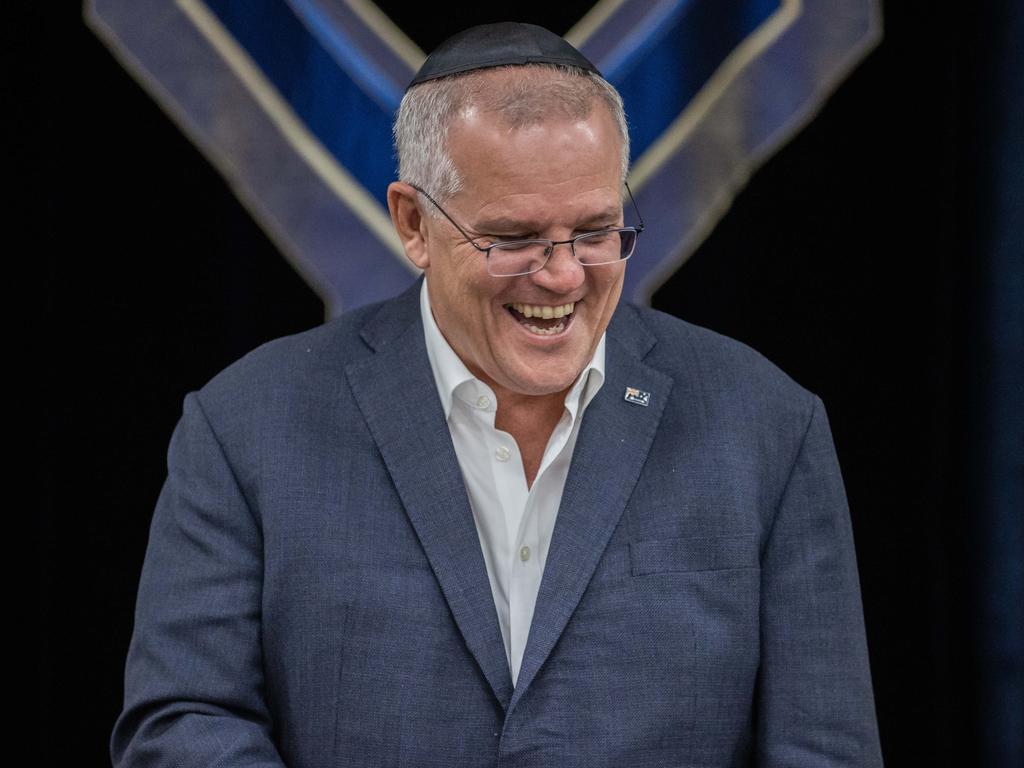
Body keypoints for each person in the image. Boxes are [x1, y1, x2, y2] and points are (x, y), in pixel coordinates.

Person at [111, 22, 883, 767]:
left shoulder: (767, 426)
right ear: (413, 223)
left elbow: (823, 749)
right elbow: (185, 722)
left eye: (594, 231)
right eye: (513, 238)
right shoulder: (246, 426)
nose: (562, 275)